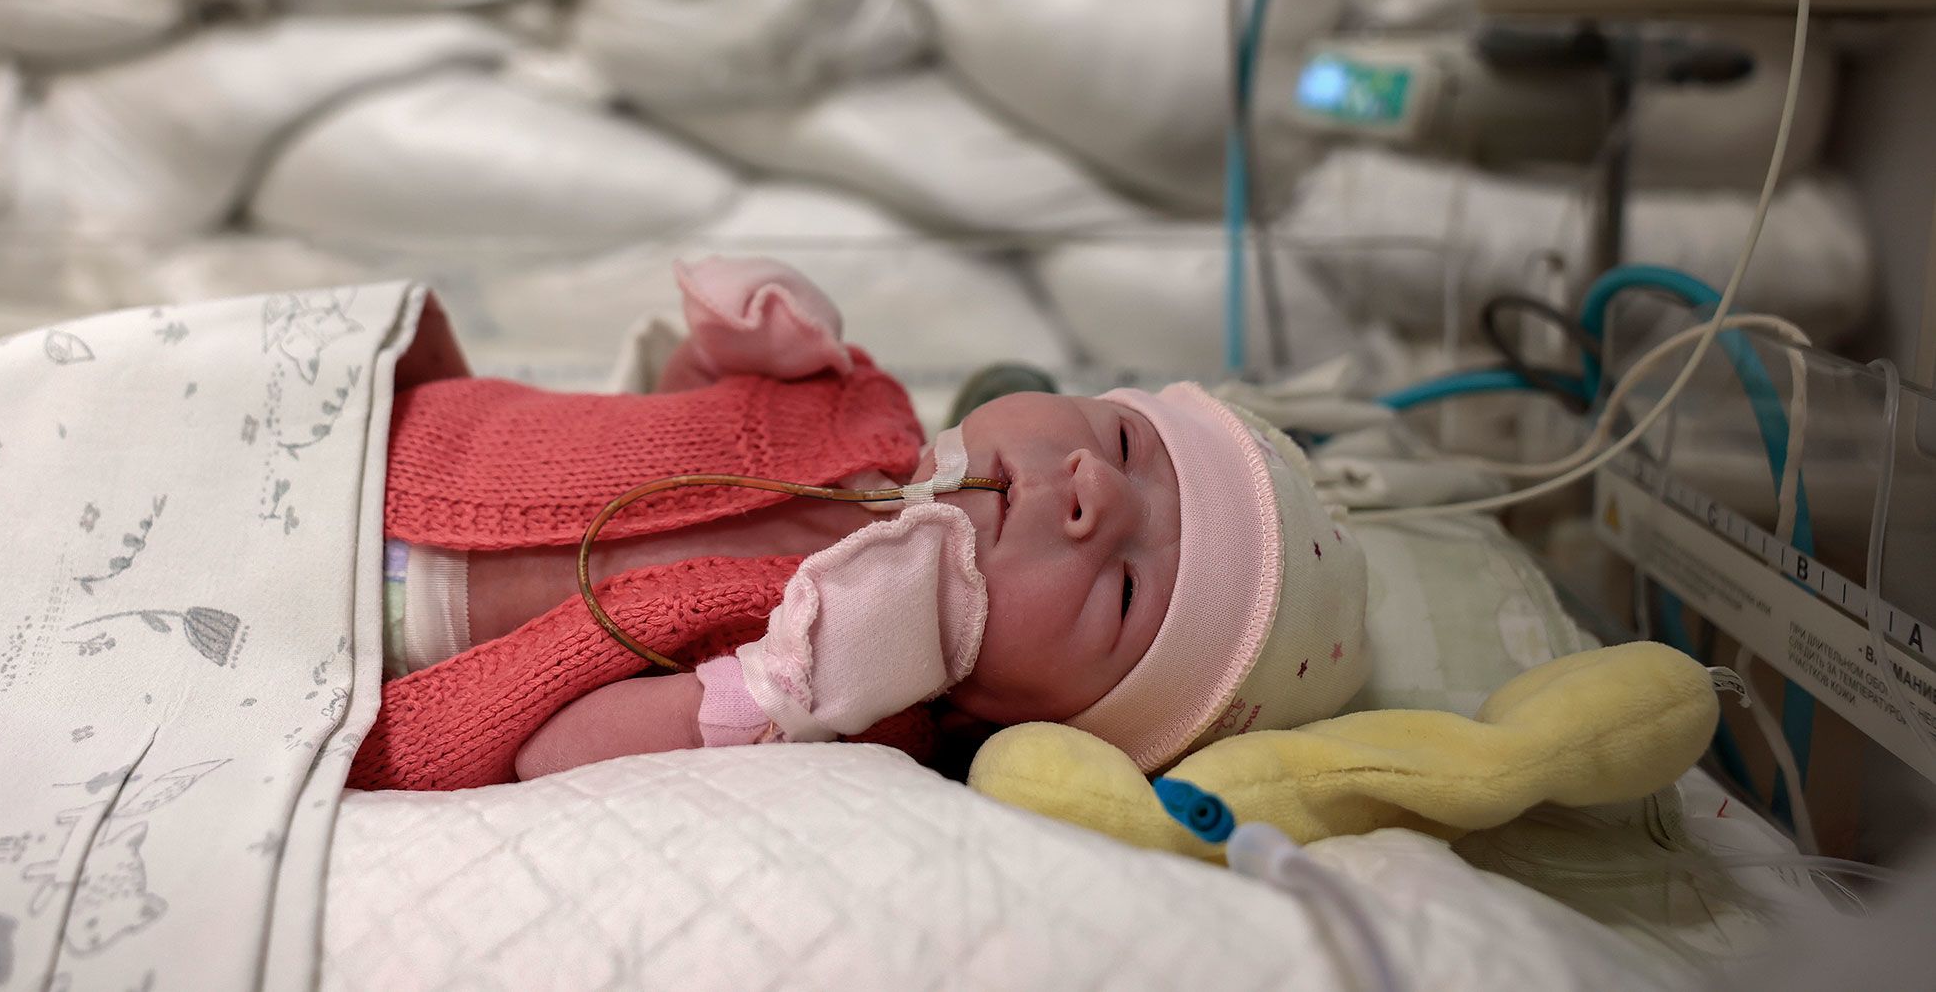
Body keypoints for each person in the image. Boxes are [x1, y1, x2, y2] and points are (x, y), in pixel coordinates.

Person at [349, 258, 1368, 791]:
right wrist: (736, 344)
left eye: (1127, 589)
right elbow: (677, 433)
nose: (1092, 491)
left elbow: (548, 752)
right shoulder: (859, 406)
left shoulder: (859, 713)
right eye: (1124, 440)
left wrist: (775, 692)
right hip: (389, 438)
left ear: (1021, 722)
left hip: (361, 643)